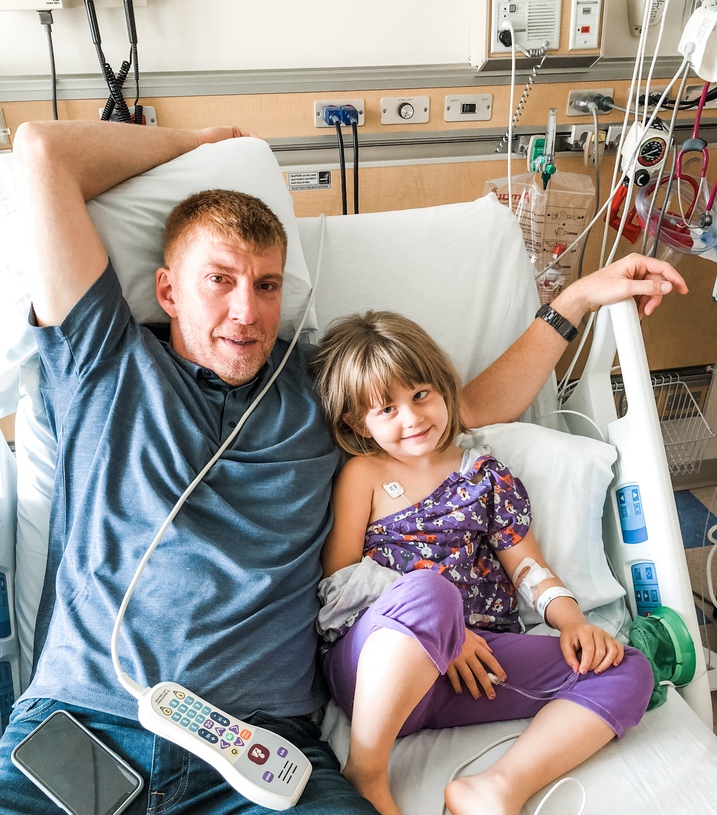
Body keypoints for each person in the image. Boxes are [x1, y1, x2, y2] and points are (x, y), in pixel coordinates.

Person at [0, 119, 687, 815]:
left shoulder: (313, 392)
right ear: (167, 289)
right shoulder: (102, 361)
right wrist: (203, 142)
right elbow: (42, 152)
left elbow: (467, 405)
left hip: (258, 746)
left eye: (267, 285)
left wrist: (574, 300)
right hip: (84, 719)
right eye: (219, 280)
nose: (247, 310)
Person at [312, 310, 655, 815]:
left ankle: (496, 788)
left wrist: (573, 620)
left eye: (421, 394)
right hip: (375, 673)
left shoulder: (487, 476)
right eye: (387, 409)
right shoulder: (363, 474)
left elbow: (527, 568)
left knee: (626, 669)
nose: (412, 418)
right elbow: (338, 581)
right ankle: (366, 772)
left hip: (471, 673)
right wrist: (438, 628)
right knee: (431, 591)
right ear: (355, 422)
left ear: (443, 388)